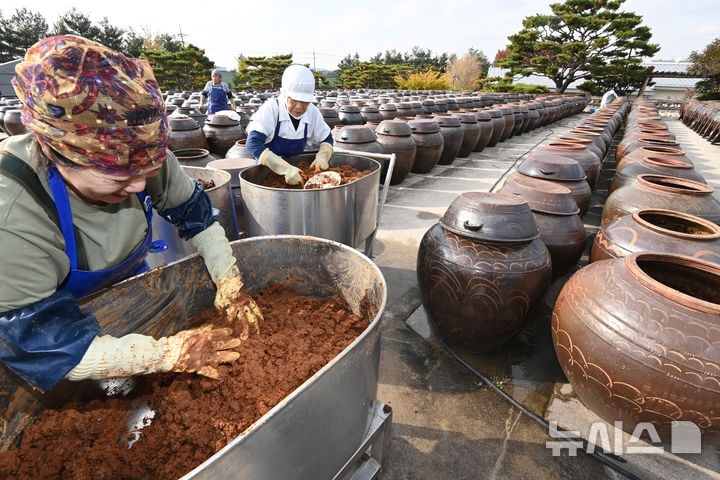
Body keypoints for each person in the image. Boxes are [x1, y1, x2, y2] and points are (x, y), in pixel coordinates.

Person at [0, 35, 262, 393]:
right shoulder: (12, 215)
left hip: (126, 296)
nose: (140, 186)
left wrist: (229, 281)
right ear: (57, 152)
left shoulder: (140, 152)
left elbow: (197, 217)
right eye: (120, 176)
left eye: (148, 171)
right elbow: (43, 344)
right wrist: (169, 354)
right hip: (52, 334)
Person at [245, 65, 333, 185]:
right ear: (285, 94)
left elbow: (326, 138)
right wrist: (284, 169)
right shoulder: (271, 109)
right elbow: (253, 143)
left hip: (296, 168)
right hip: (267, 172)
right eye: (294, 100)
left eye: (305, 101)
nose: (299, 106)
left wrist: (323, 156)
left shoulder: (312, 112)